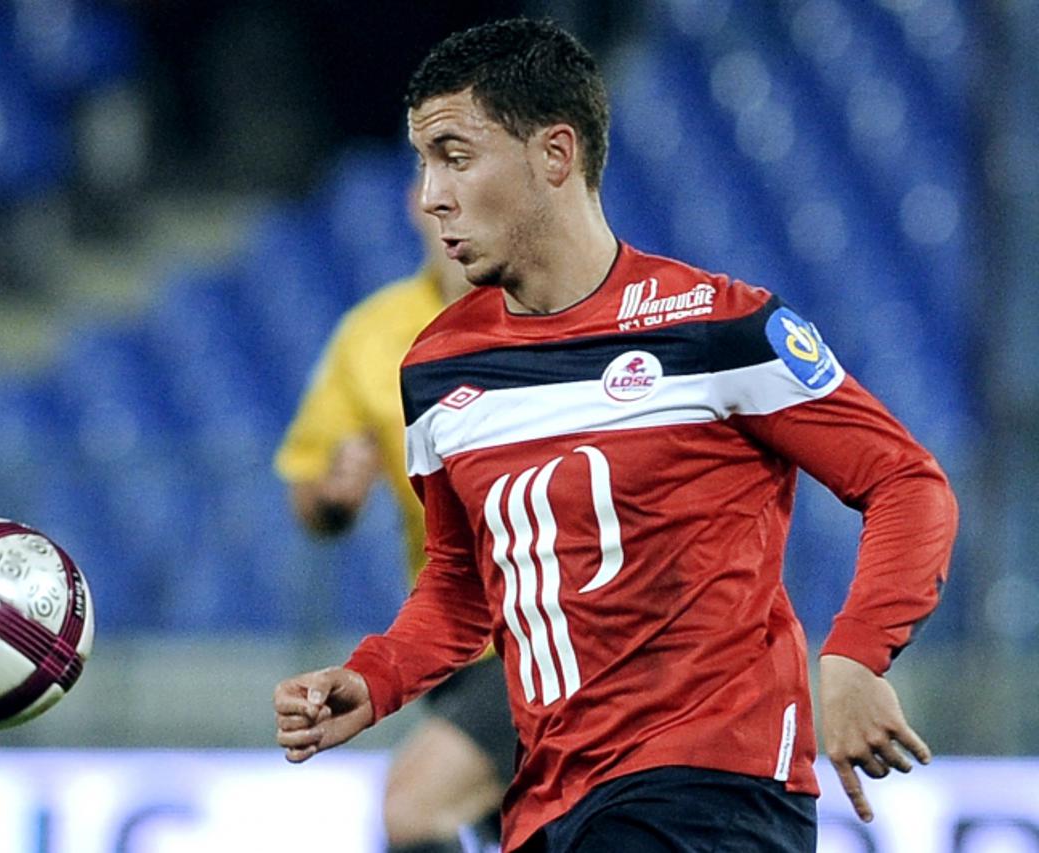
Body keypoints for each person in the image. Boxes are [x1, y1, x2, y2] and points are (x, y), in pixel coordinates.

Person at [274, 18, 958, 853]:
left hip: (711, 791)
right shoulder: (439, 369)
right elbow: (464, 587)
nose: (429, 195)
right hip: (549, 798)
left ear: (555, 156)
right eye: (423, 162)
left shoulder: (718, 328)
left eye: (455, 155)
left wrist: (856, 652)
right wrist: (372, 678)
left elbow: (905, 480)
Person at [274, 190, 515, 852]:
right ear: (413, 202)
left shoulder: (549, 314)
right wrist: (335, 494)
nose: (452, 203)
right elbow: (311, 489)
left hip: (550, 632)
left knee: (414, 808)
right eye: (434, 173)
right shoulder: (373, 335)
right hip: (455, 650)